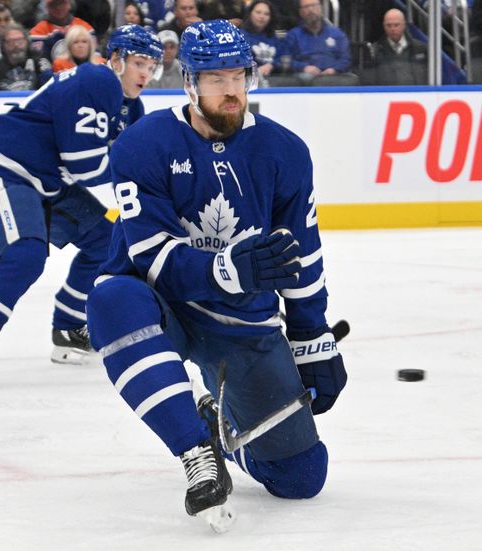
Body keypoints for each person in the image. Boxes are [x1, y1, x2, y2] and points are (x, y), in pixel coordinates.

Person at [85, 20, 347, 531]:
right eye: (214, 77)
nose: (230, 90)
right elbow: (151, 256)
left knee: (301, 477)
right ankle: (195, 450)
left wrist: (313, 335)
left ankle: (222, 427)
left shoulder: (285, 152)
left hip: (243, 324)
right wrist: (227, 268)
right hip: (165, 306)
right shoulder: (142, 145)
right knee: (111, 299)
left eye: (238, 76)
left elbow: (303, 254)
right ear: (189, 81)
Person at [0, 25, 163, 387]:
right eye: (139, 62)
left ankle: (68, 327)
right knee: (26, 256)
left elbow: (124, 163)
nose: (145, 73)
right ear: (116, 60)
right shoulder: (99, 80)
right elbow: (86, 165)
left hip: (47, 178)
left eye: (151, 65)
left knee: (106, 243)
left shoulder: (131, 105)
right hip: (8, 166)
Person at [281, 0, 359, 86]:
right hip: (306, 76)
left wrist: (334, 70)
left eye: (314, 5)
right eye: (306, 7)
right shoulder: (293, 35)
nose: (311, 10)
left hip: (335, 75)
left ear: (320, 8)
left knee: (352, 79)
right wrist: (304, 67)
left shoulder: (337, 33)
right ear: (301, 12)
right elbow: (286, 60)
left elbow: (346, 58)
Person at [367, 8, 428, 85]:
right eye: (389, 25)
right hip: (386, 95)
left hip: (416, 95)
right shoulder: (375, 50)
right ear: (384, 26)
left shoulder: (421, 48)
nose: (392, 29)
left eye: (396, 25)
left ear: (404, 25)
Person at [0, 24, 53, 91]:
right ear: (3, 45)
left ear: (27, 42)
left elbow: (51, 86)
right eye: (11, 42)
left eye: (20, 40)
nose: (16, 45)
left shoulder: (39, 61)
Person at [30, 0, 96, 63]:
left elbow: (96, 56)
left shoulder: (84, 27)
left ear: (69, 5)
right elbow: (40, 61)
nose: (58, 8)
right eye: (53, 5)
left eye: (61, 3)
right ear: (47, 8)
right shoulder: (38, 31)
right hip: (54, 72)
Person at [239, 0, 282, 85]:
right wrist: (256, 70)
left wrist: (272, 65)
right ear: (250, 13)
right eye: (258, 12)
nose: (262, 16)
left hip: (275, 78)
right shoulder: (240, 36)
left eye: (266, 14)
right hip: (248, 80)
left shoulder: (274, 37)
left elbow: (282, 57)